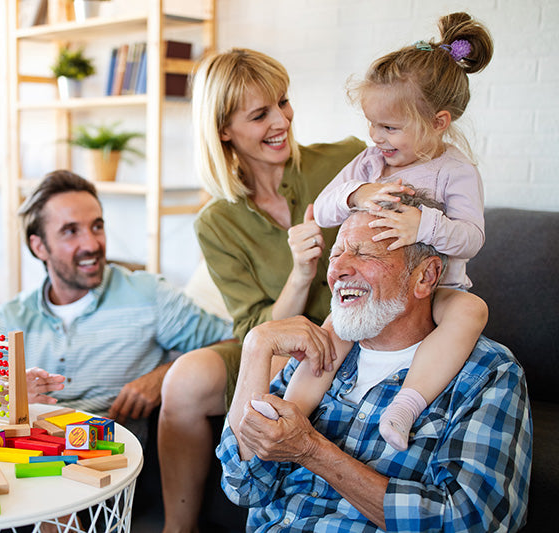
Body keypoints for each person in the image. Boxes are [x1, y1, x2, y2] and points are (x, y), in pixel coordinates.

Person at [218, 193, 532, 532]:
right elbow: (243, 484)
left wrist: (311, 450)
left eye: (365, 253)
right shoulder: (318, 351)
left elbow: (470, 521)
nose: (337, 270)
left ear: (425, 277)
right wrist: (256, 347)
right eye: (336, 254)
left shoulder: (487, 374)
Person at [158, 48, 365, 530]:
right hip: (271, 341)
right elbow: (255, 329)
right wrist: (300, 272)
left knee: (273, 378)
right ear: (223, 129)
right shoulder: (217, 221)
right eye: (260, 114)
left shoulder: (346, 160)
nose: (282, 121)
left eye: (283, 103)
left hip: (346, 332)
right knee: (182, 381)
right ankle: (176, 527)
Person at [288, 12, 492, 452]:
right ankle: (290, 409)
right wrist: (359, 193)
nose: (376, 137)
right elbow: (322, 210)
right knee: (335, 331)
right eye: (372, 124)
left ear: (438, 122)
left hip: (438, 291)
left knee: (471, 311)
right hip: (377, 294)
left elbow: (472, 238)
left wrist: (424, 225)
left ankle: (406, 406)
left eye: (389, 127)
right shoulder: (371, 163)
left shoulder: (456, 172)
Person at [0, 170, 233, 436]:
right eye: (71, 231)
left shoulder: (149, 295)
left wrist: (164, 378)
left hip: (114, 464)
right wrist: (8, 401)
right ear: (39, 247)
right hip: (22, 460)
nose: (92, 244)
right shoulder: (6, 320)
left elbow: (230, 343)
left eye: (97, 226)